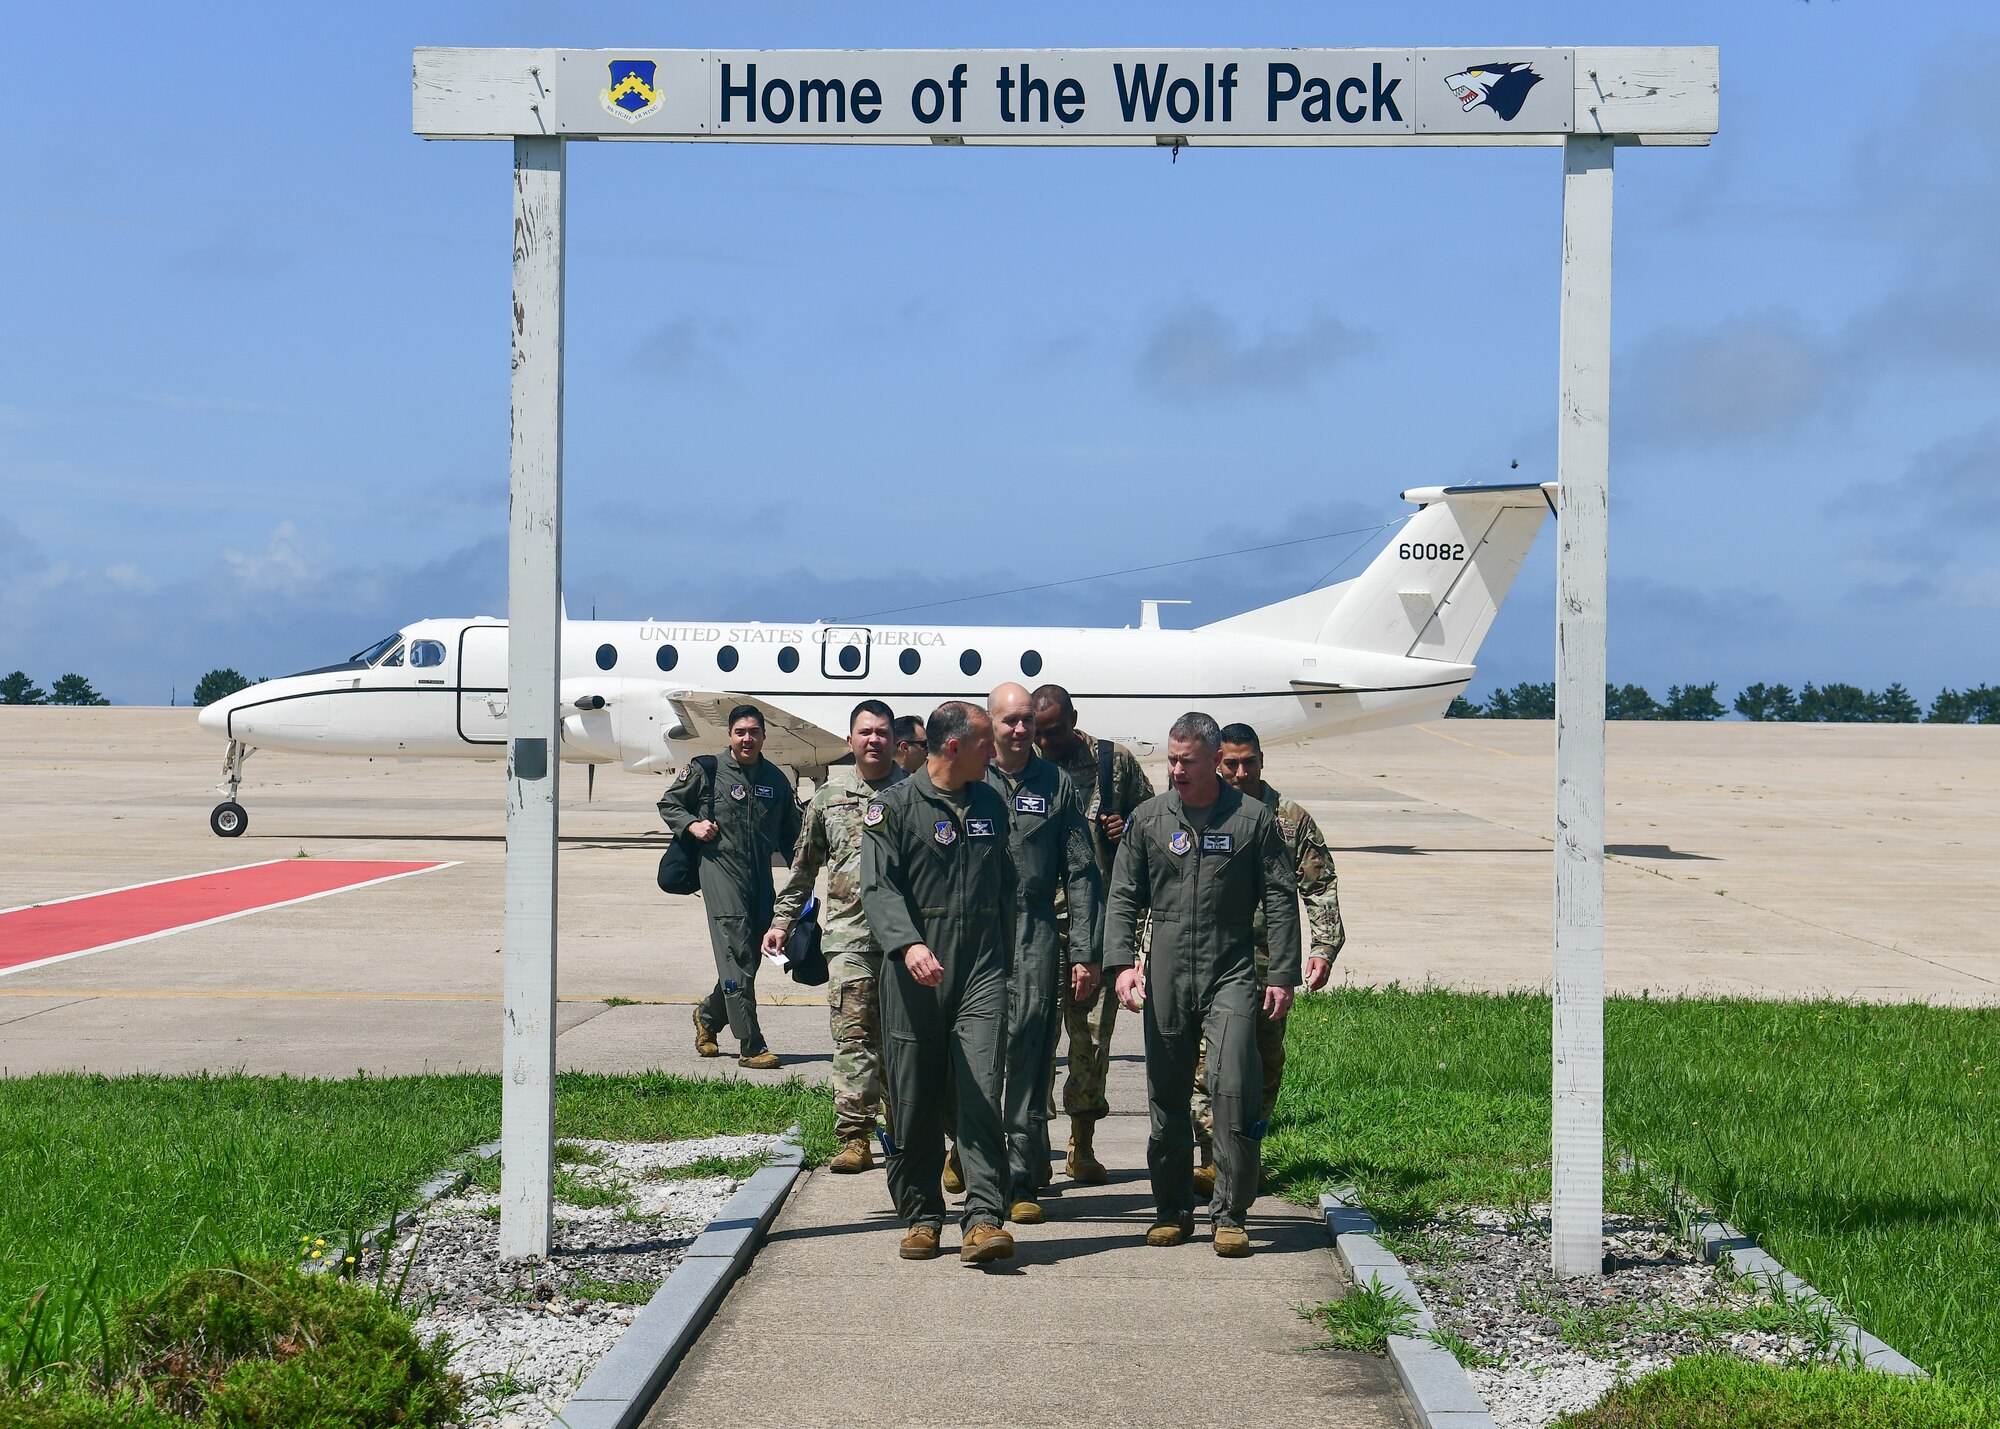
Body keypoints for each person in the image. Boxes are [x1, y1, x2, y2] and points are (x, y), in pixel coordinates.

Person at [1105, 711, 1299, 1258]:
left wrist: (1282, 973)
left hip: (1232, 967)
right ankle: (1170, 1210)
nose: (1175, 770)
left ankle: (1231, 1214)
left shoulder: (1254, 819)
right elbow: (1123, 896)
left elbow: (1281, 899)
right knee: (1165, 1095)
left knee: (1233, 1086)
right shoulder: (1148, 819)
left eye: (1186, 761)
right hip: (1166, 966)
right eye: (1170, 759)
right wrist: (1122, 965)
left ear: (1216, 761)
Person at [859, 701, 1018, 1264]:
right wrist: (908, 943)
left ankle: (983, 1219)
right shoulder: (894, 809)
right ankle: (922, 1215)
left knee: (979, 1090)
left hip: (979, 969)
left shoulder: (993, 804)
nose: (994, 752)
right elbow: (877, 889)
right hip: (914, 974)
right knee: (913, 1097)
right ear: (954, 746)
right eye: (985, 743)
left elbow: (1007, 888)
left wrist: (1010, 961)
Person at [1191, 722, 1344, 1195]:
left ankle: (1247, 1153)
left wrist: (1322, 949)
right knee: (1205, 1065)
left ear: (1261, 761)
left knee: (1263, 1063)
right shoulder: (1202, 811)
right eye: (1230, 764)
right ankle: (1214, 1157)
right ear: (1218, 762)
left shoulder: (1290, 819)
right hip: (1210, 961)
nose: (1239, 773)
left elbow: (1320, 887)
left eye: (1248, 763)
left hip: (1268, 966)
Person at [765, 699, 903, 1174]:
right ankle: (854, 1137)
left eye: (882, 732)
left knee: (901, 1043)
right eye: (865, 732)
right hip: (848, 938)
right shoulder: (830, 796)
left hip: (906, 943)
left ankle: (904, 1132)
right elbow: (803, 866)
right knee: (853, 1037)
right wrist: (782, 922)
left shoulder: (914, 794)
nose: (873, 740)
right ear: (850, 740)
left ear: (894, 740)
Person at [984, 683, 1103, 1224]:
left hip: (1034, 929)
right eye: (1009, 720)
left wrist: (1083, 952)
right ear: (991, 723)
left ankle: (1023, 1177)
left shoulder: (1056, 784)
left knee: (1031, 1052)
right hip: (975, 930)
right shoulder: (967, 774)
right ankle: (975, 1165)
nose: (1019, 730)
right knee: (976, 1052)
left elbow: (1081, 871)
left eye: (1026, 720)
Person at [1030, 683, 1153, 1184]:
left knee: (1091, 1042)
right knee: (1032, 1039)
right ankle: (1030, 1141)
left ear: (1074, 718)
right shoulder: (1019, 763)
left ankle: (1081, 1145)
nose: (1045, 742)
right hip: (1037, 925)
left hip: (1095, 926)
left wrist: (1128, 827)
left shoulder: (1112, 763)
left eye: (1054, 731)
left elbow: (1156, 822)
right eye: (1038, 733)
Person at [658, 704, 802, 1070]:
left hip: (759, 878)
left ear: (764, 736)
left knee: (751, 957)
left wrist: (809, 871)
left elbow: (793, 834)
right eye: (740, 732)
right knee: (737, 956)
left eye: (754, 732)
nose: (747, 739)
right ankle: (751, 1045)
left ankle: (707, 1017)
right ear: (730, 736)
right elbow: (670, 802)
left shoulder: (776, 779)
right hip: (720, 870)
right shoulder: (709, 770)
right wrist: (692, 825)